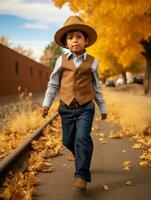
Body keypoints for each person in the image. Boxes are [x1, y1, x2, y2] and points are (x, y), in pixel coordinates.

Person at [42, 15, 107, 193]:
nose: (75, 40)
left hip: (86, 107)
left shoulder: (93, 63)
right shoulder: (60, 61)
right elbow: (53, 83)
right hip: (66, 108)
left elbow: (97, 87)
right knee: (68, 140)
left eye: (78, 36)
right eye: (70, 38)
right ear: (65, 43)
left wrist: (103, 107)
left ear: (86, 40)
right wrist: (47, 103)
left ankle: (82, 176)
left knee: (82, 138)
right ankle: (83, 155)